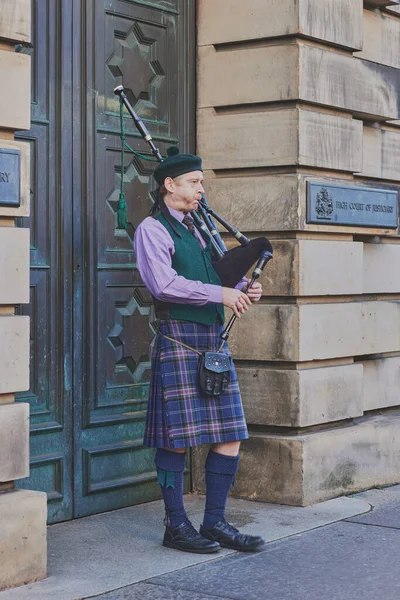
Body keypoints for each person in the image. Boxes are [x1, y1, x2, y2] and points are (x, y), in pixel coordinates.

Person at [134, 147, 265, 554]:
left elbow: (213, 275)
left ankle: (215, 523)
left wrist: (243, 289)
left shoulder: (198, 229)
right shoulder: (152, 230)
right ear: (169, 185)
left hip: (212, 344)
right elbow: (164, 285)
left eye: (201, 182)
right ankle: (176, 525)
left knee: (230, 434)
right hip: (178, 340)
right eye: (193, 182)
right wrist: (221, 293)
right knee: (175, 438)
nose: (200, 189)